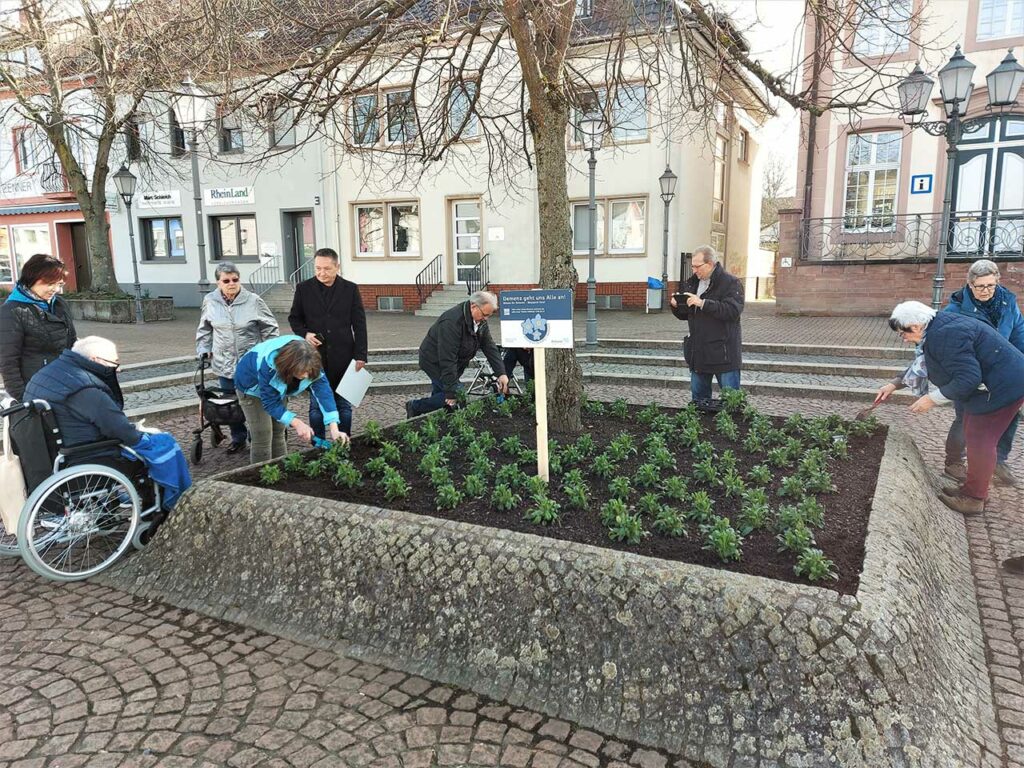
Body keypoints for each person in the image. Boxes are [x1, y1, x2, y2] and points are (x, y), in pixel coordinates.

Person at [877, 301, 1024, 515]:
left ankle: (974, 499)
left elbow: (969, 378)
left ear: (915, 327)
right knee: (972, 433)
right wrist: (894, 384)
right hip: (998, 383)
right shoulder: (937, 326)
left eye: (903, 333)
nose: (903, 338)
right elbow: (926, 362)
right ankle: (973, 488)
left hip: (1004, 387)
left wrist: (933, 399)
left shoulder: (945, 335)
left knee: (981, 441)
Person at [23, 336, 191, 508]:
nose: (117, 370)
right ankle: (172, 500)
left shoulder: (45, 374)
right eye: (115, 363)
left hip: (51, 453)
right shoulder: (83, 386)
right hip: (86, 456)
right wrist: (143, 436)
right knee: (165, 443)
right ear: (95, 360)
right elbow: (120, 430)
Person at [940, 259, 1023, 486]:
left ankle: (998, 460)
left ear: (997, 282)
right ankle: (954, 461)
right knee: (965, 417)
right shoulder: (956, 309)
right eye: (979, 287)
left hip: (1001, 371)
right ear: (969, 284)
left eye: (990, 286)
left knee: (1011, 414)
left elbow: (1018, 335)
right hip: (971, 372)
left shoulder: (1007, 304)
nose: (985, 291)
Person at [195, 261, 279, 453]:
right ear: (218, 283)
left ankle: (257, 434)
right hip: (223, 362)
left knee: (253, 401)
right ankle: (238, 438)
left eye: (235, 279)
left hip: (250, 364)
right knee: (231, 404)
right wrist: (203, 349)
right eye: (226, 280)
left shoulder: (253, 300)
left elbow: (271, 327)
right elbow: (204, 329)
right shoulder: (210, 301)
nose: (231, 283)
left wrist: (269, 351)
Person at [288, 248, 367, 440]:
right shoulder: (303, 288)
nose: (322, 273)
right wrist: (305, 334)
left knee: (344, 406)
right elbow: (294, 318)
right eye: (318, 268)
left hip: (344, 355)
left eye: (327, 269)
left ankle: (343, 441)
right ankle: (319, 445)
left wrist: (361, 355)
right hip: (315, 358)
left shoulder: (350, 289)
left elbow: (359, 324)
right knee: (316, 407)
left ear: (337, 267)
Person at [234, 335, 346, 463]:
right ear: (289, 366)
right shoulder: (269, 365)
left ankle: (281, 471)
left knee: (278, 431)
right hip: (250, 387)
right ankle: (261, 477)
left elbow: (324, 393)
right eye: (302, 371)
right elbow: (271, 404)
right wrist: (297, 423)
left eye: (308, 371)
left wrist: (334, 428)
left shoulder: (310, 359)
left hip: (278, 387)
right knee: (262, 434)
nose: (305, 376)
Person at [406, 291, 508, 417]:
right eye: (484, 314)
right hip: (434, 361)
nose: (486, 319)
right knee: (457, 395)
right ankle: (414, 406)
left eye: (489, 315)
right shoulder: (451, 322)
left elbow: (489, 347)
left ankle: (438, 419)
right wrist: (451, 392)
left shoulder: (479, 321)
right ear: (473, 306)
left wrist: (501, 373)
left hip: (454, 363)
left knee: (442, 397)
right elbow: (447, 358)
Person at [670, 245, 745, 402]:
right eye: (692, 267)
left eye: (697, 266)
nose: (694, 271)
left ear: (710, 264)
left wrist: (703, 303)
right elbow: (688, 315)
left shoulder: (730, 283)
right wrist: (677, 305)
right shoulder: (692, 283)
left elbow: (732, 311)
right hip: (699, 352)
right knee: (699, 403)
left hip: (724, 353)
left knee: (732, 403)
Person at [0, 253, 77, 400]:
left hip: (66, 382)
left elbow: (72, 343)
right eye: (50, 284)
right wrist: (23, 398)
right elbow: (8, 362)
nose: (55, 289)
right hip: (35, 388)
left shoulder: (60, 304)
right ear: (32, 279)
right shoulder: (11, 311)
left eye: (59, 285)